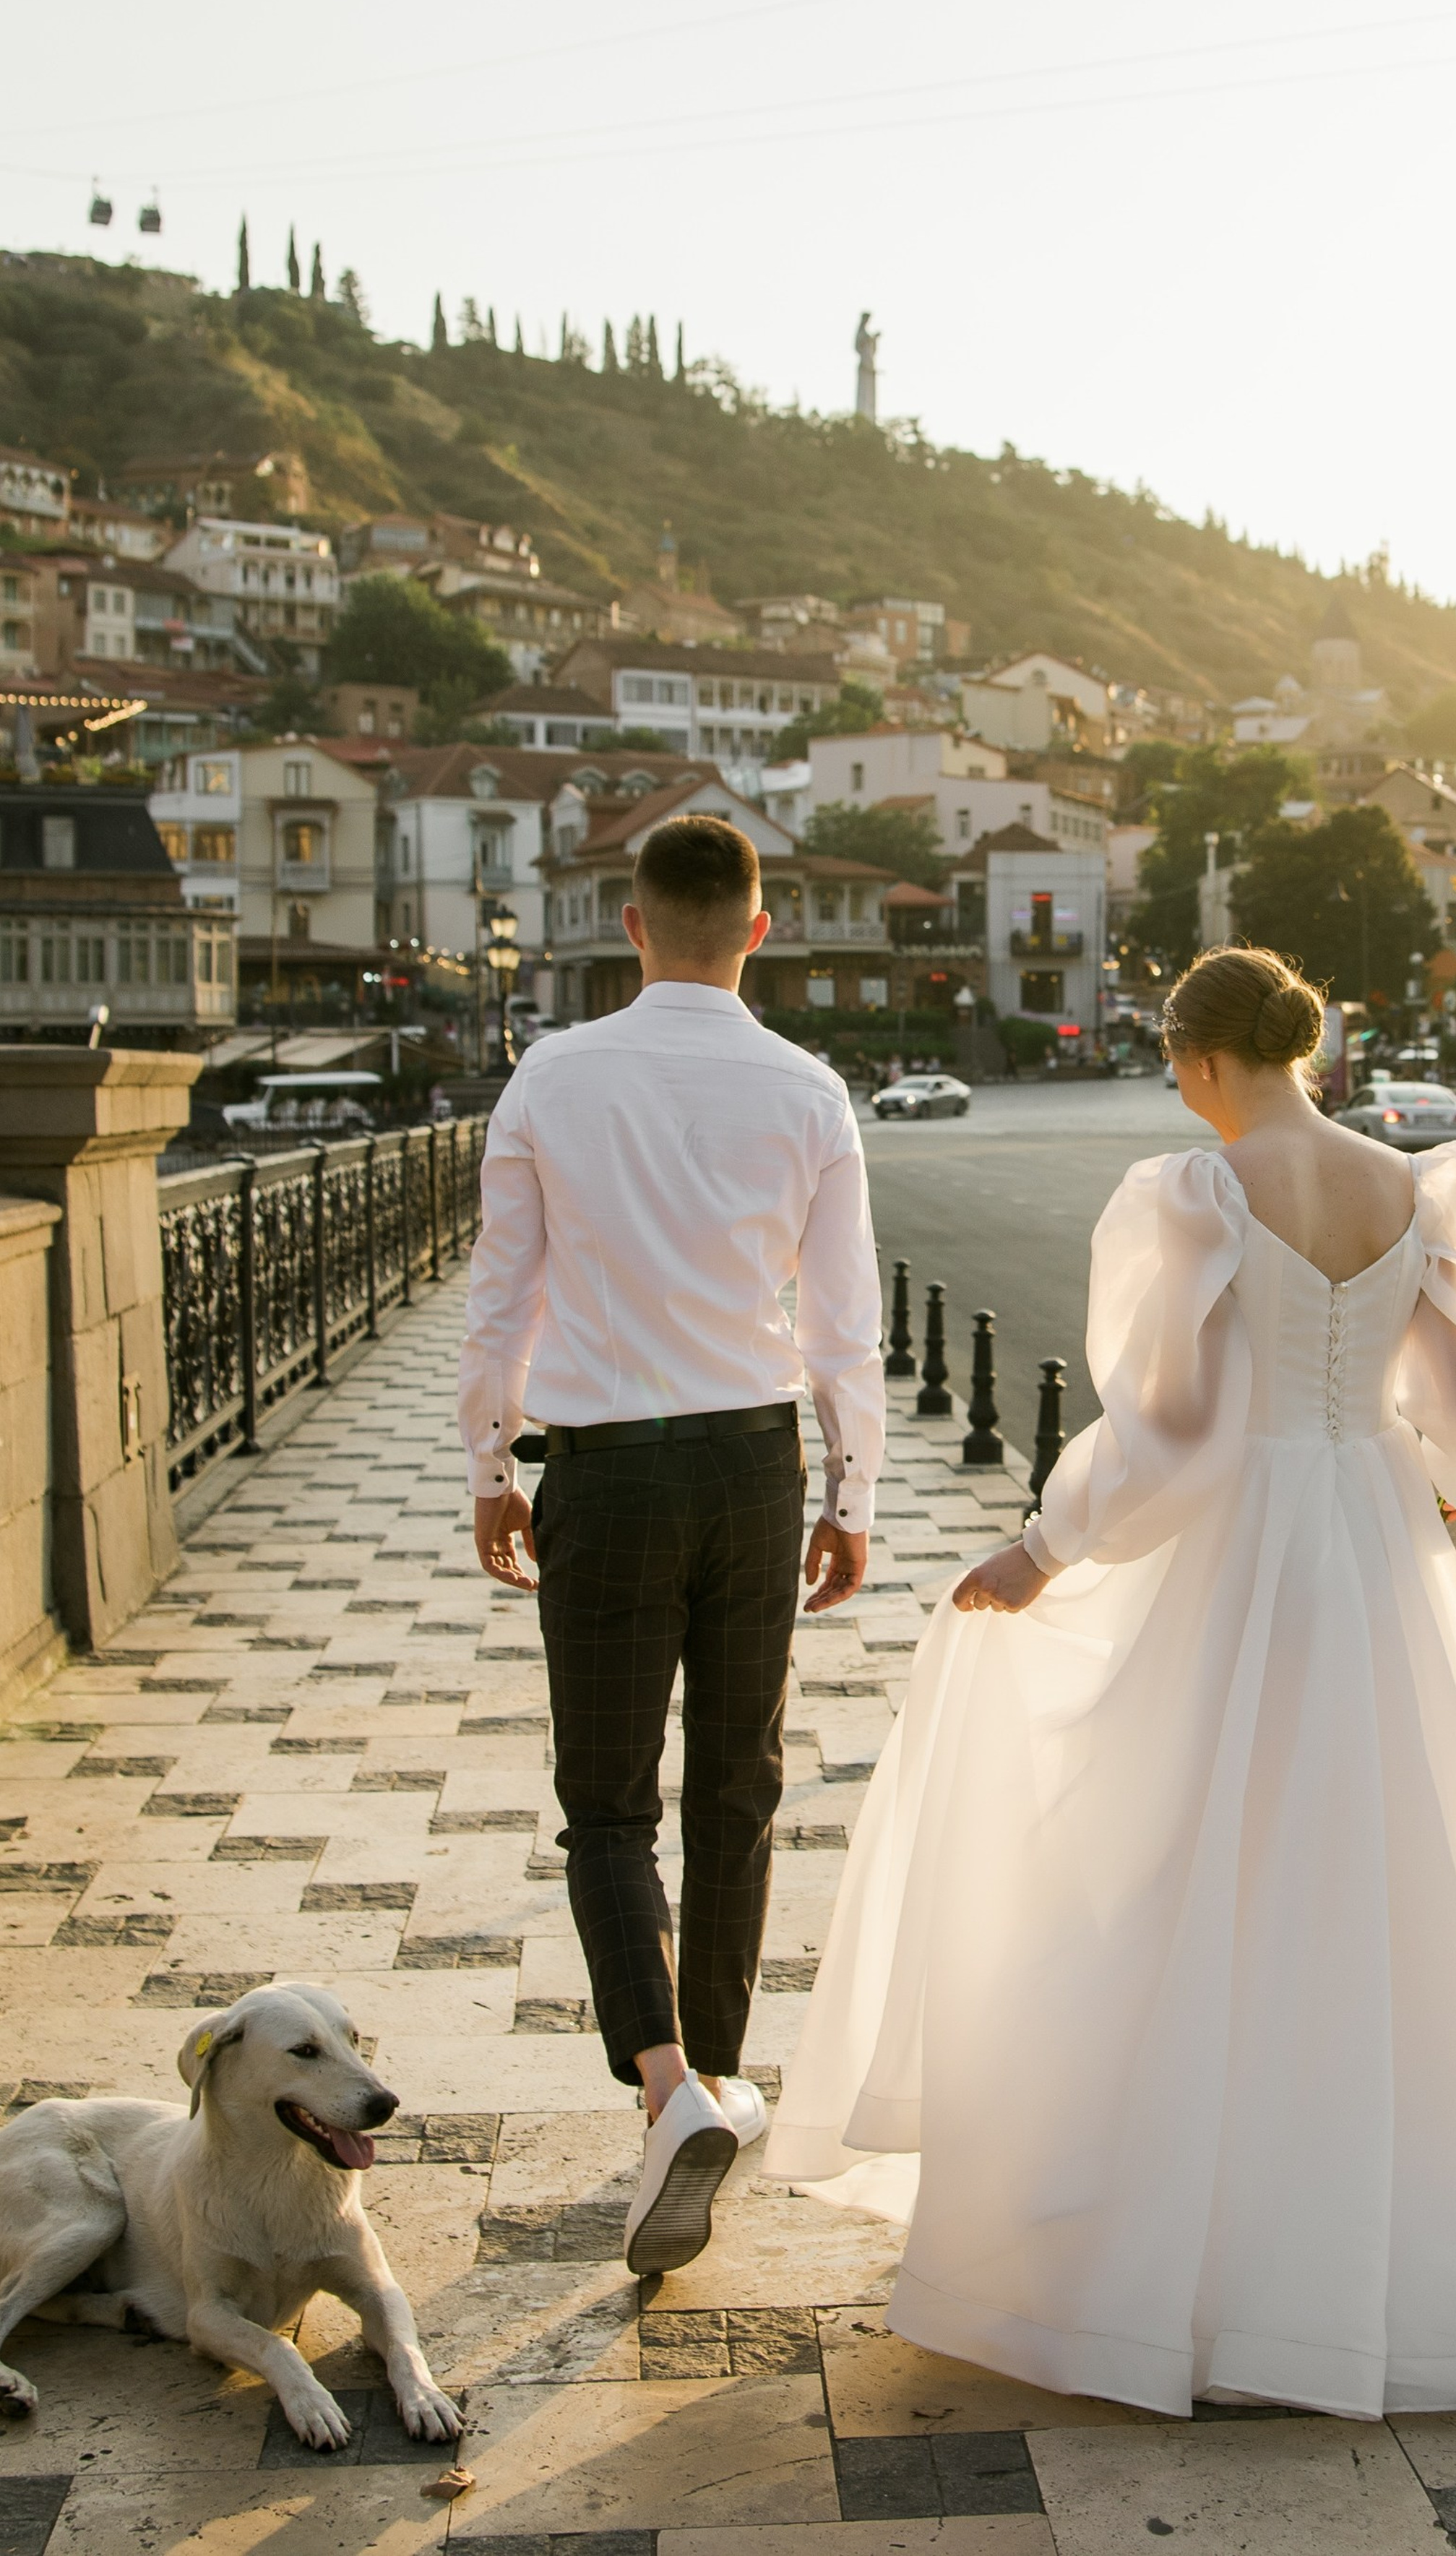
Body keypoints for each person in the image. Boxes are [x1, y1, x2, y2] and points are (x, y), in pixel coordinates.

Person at [766, 944, 1456, 2419]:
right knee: (1402, 1874)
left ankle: (1196, 2263)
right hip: (1370, 1541)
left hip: (1247, 1549)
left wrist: (1044, 1544)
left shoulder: (1198, 1192)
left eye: (1174, 1065)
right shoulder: (1409, 1187)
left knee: (1197, 1858)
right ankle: (1441, 2256)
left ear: (1197, 1059)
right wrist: (1406, 1455)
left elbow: (1168, 1428)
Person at [459, 814, 885, 2279]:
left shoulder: (554, 1073)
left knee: (604, 1802)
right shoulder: (808, 1087)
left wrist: (486, 1469)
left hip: (609, 1473)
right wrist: (854, 1501)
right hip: (755, 1470)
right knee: (737, 1788)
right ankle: (708, 2069)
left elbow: (498, 1296)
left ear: (631, 926)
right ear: (758, 931)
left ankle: (667, 2087)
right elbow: (846, 1321)